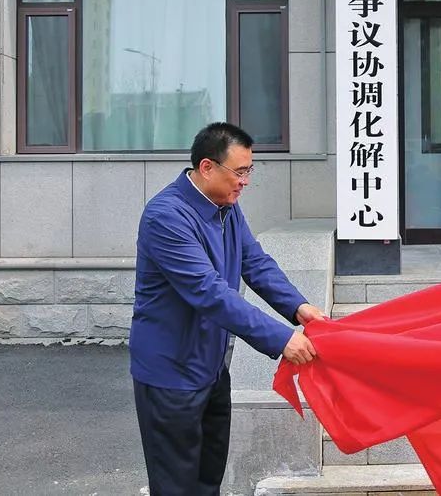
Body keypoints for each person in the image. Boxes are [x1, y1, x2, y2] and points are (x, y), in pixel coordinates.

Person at [130, 122, 324, 496]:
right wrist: (282, 339)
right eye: (239, 171)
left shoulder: (225, 207)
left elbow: (255, 262)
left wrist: (298, 307)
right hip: (171, 373)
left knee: (208, 479)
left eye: (249, 171)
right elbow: (209, 293)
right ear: (207, 167)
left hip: (211, 367)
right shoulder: (166, 217)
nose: (245, 181)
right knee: (176, 485)